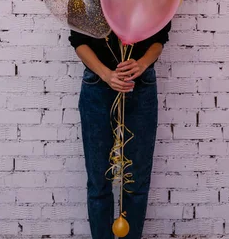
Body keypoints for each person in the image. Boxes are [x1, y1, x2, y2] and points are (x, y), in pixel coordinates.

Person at [69, 22, 171, 239]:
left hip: (140, 85)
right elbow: (78, 41)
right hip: (97, 86)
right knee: (99, 182)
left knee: (136, 182)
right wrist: (106, 74)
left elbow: (160, 36)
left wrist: (142, 64)